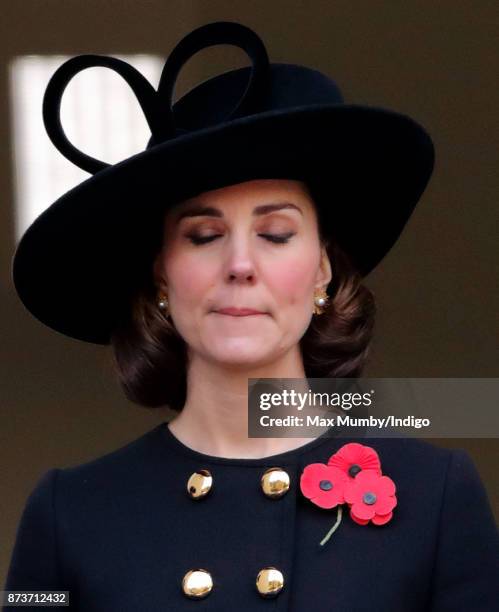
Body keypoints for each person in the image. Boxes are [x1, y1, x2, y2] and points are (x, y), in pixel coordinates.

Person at [4, 20, 498, 612]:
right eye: (205, 235)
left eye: (276, 233)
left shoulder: (439, 496)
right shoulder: (66, 512)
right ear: (162, 272)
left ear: (323, 270)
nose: (240, 263)